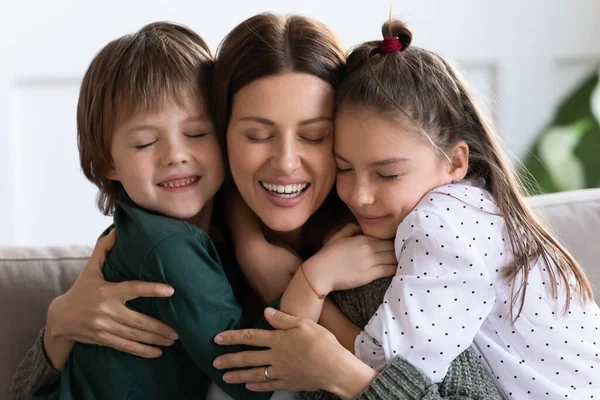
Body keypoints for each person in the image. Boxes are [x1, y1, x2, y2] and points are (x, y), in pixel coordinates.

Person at [11, 14, 501, 400]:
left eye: (314, 135)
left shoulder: (381, 252)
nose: (286, 162)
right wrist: (56, 331)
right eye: (257, 134)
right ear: (223, 133)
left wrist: (315, 311)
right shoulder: (184, 230)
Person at [216, 17, 600, 399]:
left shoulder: (436, 224)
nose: (360, 194)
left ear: (454, 162)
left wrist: (304, 286)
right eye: (345, 167)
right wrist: (246, 235)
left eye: (387, 175)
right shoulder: (470, 203)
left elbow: (387, 369)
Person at [27, 21, 289, 400]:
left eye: (197, 133)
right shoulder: (166, 247)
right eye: (146, 142)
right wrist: (316, 280)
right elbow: (247, 376)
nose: (175, 155)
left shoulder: (152, 228)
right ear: (107, 165)